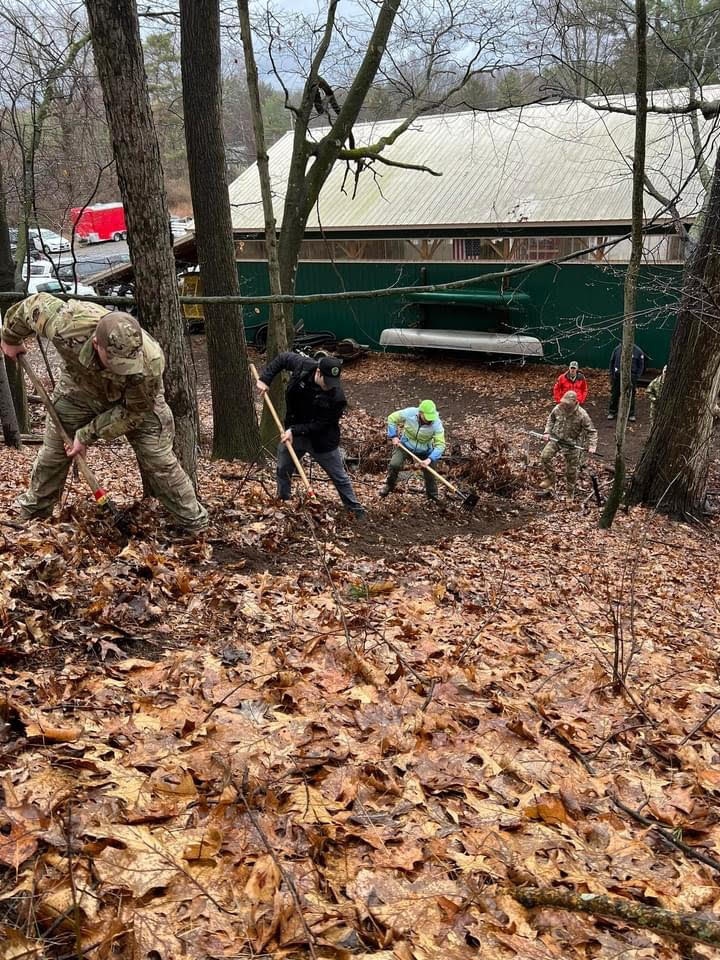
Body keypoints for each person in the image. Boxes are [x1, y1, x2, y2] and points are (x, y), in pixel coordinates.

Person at [0, 293, 209, 531]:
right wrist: (11, 337)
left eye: (126, 364)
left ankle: (194, 523)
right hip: (80, 389)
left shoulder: (150, 363)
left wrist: (85, 435)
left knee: (158, 459)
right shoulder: (67, 324)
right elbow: (32, 305)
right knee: (54, 454)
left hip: (135, 401)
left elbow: (134, 413)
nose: (121, 370)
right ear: (96, 344)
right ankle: (33, 516)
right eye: (115, 362)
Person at [255, 352, 365, 518]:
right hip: (294, 434)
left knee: (339, 477)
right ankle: (283, 500)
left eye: (333, 382)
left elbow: (320, 425)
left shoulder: (337, 398)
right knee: (283, 468)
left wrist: (294, 431)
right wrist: (265, 379)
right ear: (318, 372)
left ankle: (355, 511)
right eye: (326, 381)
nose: (329, 386)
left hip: (322, 440)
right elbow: (283, 358)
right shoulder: (304, 367)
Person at [379, 400, 446, 501]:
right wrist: (393, 436)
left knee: (430, 474)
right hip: (405, 445)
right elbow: (392, 418)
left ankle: (433, 496)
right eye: (427, 417)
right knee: (394, 464)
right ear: (420, 413)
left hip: (425, 450)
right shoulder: (409, 413)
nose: (429, 420)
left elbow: (440, 445)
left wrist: (429, 459)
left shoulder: (436, 423)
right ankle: (389, 485)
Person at [540, 390, 598, 495]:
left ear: (574, 402)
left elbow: (592, 432)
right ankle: (550, 478)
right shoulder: (558, 408)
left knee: (571, 471)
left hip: (573, 444)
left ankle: (570, 493)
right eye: (564, 402)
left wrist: (592, 446)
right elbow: (551, 419)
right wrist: (547, 432)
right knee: (545, 456)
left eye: (567, 403)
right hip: (556, 439)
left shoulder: (582, 414)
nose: (565, 405)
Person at [608, 342, 645, 421]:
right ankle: (612, 411)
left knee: (630, 394)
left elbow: (641, 365)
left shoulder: (638, 351)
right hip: (618, 375)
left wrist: (636, 376)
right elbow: (612, 362)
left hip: (631, 376)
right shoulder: (617, 349)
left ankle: (630, 414)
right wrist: (612, 374)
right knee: (615, 394)